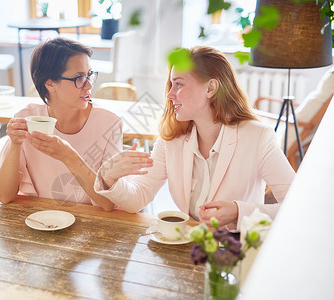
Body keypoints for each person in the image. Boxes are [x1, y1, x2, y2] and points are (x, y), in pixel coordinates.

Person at [94, 46, 295, 229]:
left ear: (210, 88)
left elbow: (297, 205)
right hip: (188, 247)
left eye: (179, 84)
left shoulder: (258, 136)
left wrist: (238, 211)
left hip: (236, 248)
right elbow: (139, 196)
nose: (170, 95)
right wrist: (109, 177)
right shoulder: (172, 138)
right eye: (171, 85)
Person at [0, 37, 122, 211]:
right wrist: (15, 144)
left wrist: (69, 156)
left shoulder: (109, 123)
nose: (89, 85)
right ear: (50, 83)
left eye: (89, 74)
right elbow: (3, 196)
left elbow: (108, 203)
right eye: (79, 77)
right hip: (39, 222)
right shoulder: (28, 119)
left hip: (91, 226)